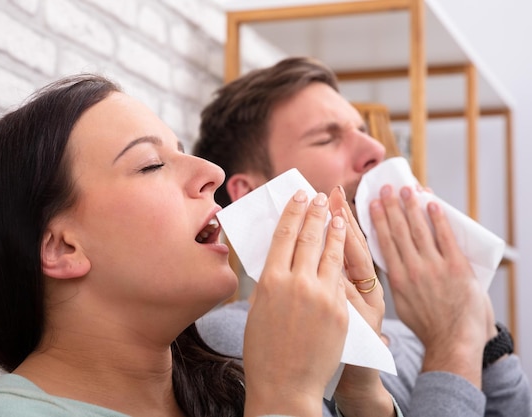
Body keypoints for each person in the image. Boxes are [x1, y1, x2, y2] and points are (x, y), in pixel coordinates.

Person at [0, 74, 403, 417]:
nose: (212, 174)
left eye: (183, 150)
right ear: (62, 248)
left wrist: (362, 391)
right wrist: (286, 400)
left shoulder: (231, 392)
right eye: (151, 164)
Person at [193, 57, 532, 417]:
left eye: (363, 131)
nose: (376, 150)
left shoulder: (412, 335)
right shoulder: (232, 341)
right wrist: (454, 347)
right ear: (252, 194)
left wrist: (481, 333)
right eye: (327, 138)